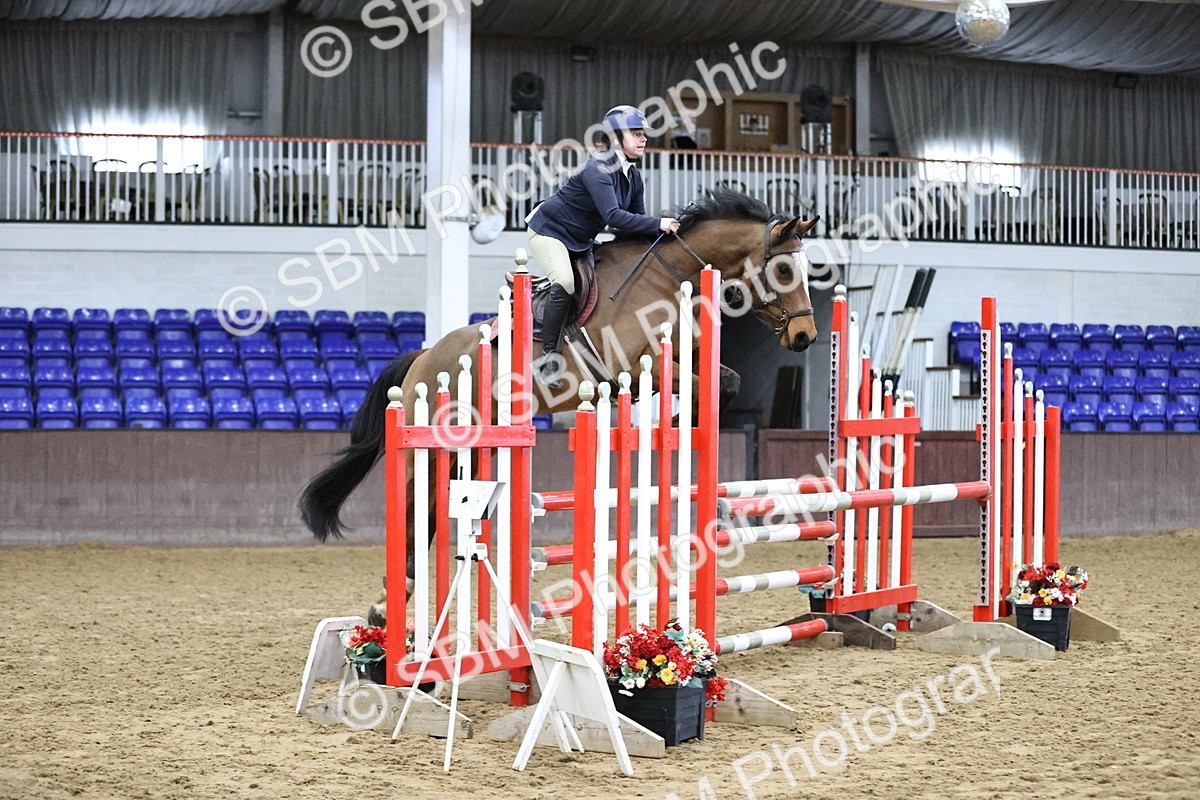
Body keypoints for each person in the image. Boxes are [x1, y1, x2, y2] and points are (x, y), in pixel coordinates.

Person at [526, 104, 680, 388]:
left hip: (581, 240)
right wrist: (659, 223)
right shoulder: (598, 167)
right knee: (565, 282)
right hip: (551, 233)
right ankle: (549, 360)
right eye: (636, 134)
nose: (644, 139)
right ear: (616, 137)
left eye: (643, 134)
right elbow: (614, 217)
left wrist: (668, 237)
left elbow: (635, 224)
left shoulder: (632, 176)